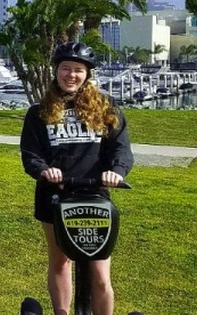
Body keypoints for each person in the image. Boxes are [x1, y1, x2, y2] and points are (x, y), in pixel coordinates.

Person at [20, 41, 134, 315]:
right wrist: (43, 170)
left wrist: (116, 171)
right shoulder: (39, 112)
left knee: (100, 271)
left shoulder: (107, 107)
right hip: (54, 195)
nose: (71, 75)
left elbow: (121, 148)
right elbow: (30, 153)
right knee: (60, 262)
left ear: (87, 74)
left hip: (95, 195)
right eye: (66, 68)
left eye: (78, 70)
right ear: (56, 71)